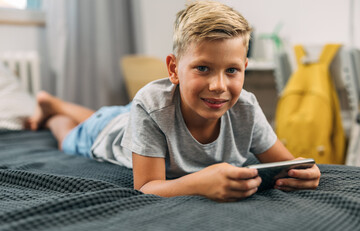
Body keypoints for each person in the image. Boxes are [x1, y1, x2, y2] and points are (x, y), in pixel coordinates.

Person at [27, 1, 321, 202]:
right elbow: (146, 187)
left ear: (244, 66)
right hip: (111, 132)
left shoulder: (246, 107)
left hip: (141, 114)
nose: (219, 86)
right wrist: (201, 183)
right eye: (203, 68)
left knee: (109, 113)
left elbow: (286, 163)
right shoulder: (150, 105)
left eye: (232, 70)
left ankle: (54, 103)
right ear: (173, 69)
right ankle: (53, 112)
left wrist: (303, 172)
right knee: (77, 132)